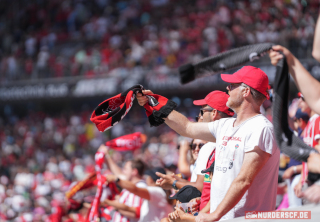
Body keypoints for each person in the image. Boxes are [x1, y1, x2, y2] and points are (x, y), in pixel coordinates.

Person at [137, 66, 280, 221]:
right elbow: (186, 127)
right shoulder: (225, 125)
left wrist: (214, 215)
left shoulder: (261, 128)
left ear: (246, 92)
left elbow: (244, 179)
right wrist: (154, 103)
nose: (227, 88)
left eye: (232, 86)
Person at [156, 91, 233, 213]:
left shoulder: (209, 147)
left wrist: (174, 183)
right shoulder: (231, 140)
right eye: (194, 146)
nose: (200, 117)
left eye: (202, 112)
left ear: (214, 113)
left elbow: (201, 187)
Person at [98, 145, 147, 222]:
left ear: (134, 171)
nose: (123, 171)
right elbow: (117, 172)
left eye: (125, 169)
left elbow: (135, 214)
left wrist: (113, 205)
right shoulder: (129, 185)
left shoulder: (139, 188)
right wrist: (106, 155)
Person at [106, 167, 174, 222]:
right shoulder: (160, 193)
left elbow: (135, 189)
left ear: (150, 179)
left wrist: (117, 179)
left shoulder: (158, 191)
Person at [282, 108, 309, 208]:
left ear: (300, 120)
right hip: (294, 177)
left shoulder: (307, 135)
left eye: (295, 120)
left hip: (299, 178)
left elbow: (312, 161)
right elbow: (289, 125)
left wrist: (293, 169)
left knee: (296, 210)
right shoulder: (301, 131)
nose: (294, 123)